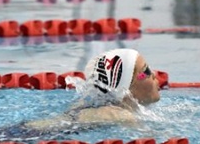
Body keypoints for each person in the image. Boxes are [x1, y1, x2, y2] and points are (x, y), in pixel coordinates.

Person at [24, 48, 161, 130]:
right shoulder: (120, 115)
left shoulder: (95, 108)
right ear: (125, 87)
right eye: (146, 71)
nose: (154, 74)